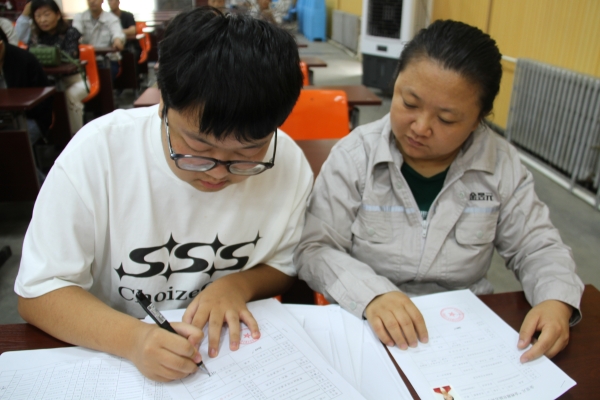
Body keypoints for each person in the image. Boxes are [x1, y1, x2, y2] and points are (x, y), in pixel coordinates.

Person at [15, 7, 309, 383]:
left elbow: (284, 263)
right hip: (113, 356)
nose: (218, 171)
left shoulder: (288, 163)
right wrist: (133, 339)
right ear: (163, 106)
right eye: (198, 147)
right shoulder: (99, 153)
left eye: (246, 153)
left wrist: (238, 285)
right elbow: (40, 291)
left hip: (230, 360)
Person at [294, 20, 584, 364]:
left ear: (478, 119)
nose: (420, 127)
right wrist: (372, 295)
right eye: (409, 103)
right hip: (369, 325)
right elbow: (315, 247)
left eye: (446, 119)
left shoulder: (501, 164)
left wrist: (555, 300)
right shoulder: (355, 155)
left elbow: (537, 246)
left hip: (463, 331)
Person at [27, 0, 88, 135]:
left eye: (46, 14)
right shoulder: (35, 35)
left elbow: (70, 55)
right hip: (46, 83)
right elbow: (28, 58)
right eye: (38, 16)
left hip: (74, 80)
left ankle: (76, 136)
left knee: (70, 97)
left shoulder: (70, 32)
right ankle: (49, 136)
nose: (42, 20)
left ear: (58, 15)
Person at [0, 26, 52, 148]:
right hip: (3, 120)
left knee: (11, 145)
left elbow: (44, 99)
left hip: (30, 118)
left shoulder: (24, 60)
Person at [72, 0, 124, 80]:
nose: (92, 1)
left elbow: (117, 33)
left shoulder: (111, 18)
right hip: (85, 61)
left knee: (104, 75)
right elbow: (75, 33)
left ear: (102, 1)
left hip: (107, 60)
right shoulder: (80, 17)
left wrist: (117, 40)